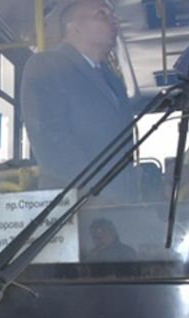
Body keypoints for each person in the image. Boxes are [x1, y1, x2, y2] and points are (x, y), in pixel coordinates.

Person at [20, 0, 135, 196]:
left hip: (117, 200)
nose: (113, 19)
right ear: (74, 28)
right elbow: (50, 140)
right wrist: (97, 187)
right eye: (102, 14)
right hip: (76, 201)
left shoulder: (112, 81)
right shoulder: (46, 66)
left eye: (112, 14)